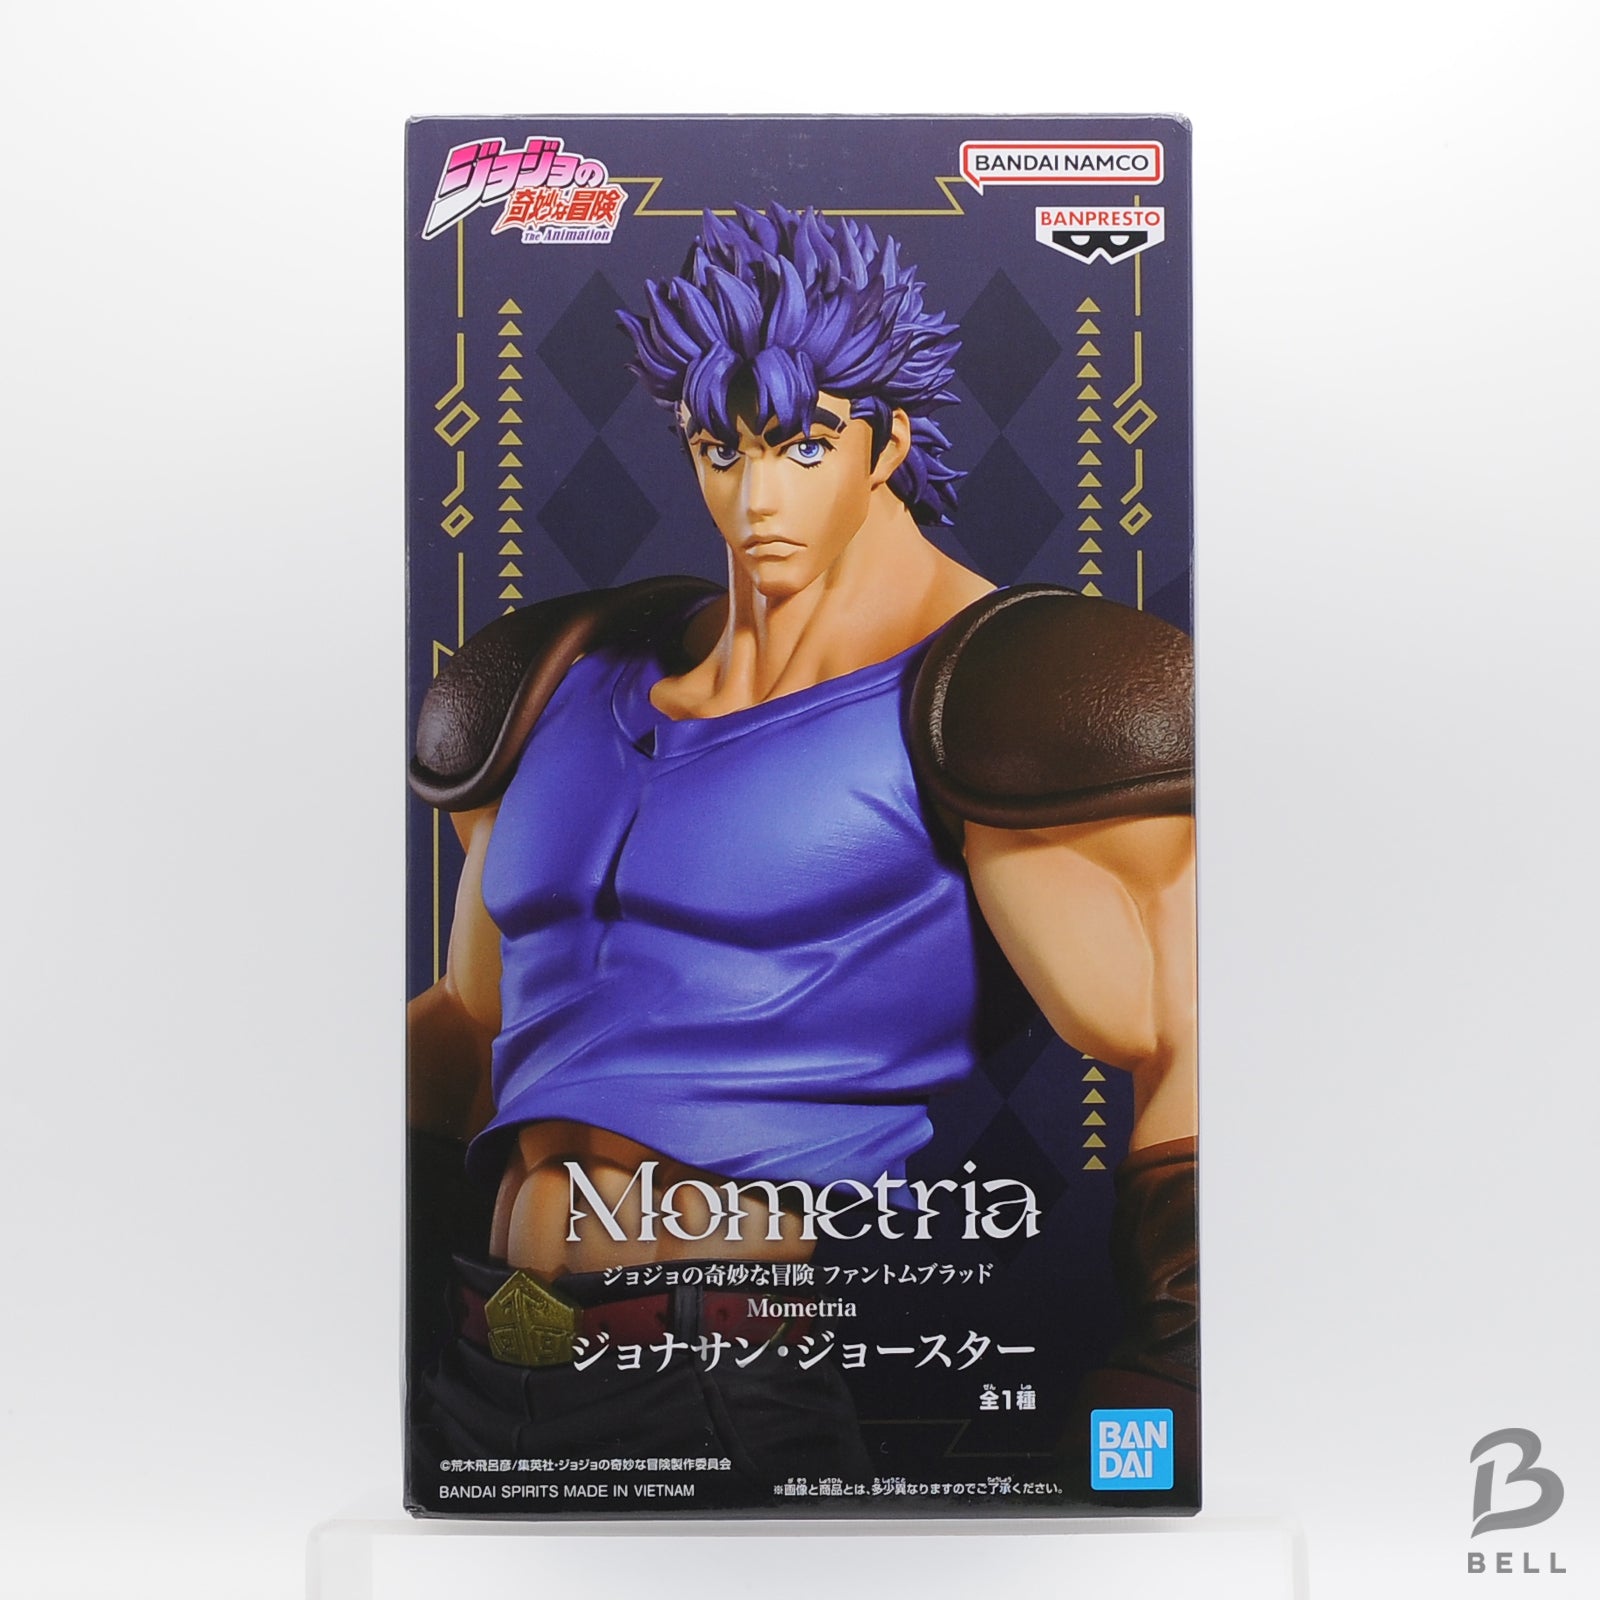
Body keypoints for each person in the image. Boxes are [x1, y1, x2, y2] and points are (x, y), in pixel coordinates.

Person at [405, 204, 1196, 1506]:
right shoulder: (553, 679)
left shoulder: (1014, 691)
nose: (757, 495)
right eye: (721, 449)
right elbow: (467, 1018)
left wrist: (1171, 1379)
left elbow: (1180, 1032)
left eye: (805, 442)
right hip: (480, 1357)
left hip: (725, 1375)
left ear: (889, 441)